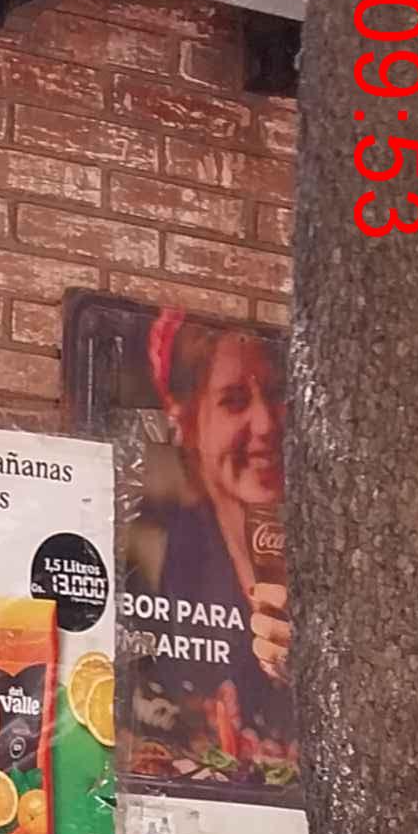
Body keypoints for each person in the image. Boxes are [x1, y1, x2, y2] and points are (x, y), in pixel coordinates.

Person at [143, 313, 291, 781]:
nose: (265, 423)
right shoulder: (167, 561)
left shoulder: (338, 546)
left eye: (277, 394)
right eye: (234, 401)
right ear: (187, 422)